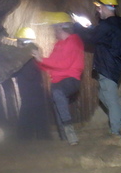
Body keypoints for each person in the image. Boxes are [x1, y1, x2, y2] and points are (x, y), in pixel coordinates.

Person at [73, 0, 121, 139]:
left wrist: (77, 26)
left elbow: (91, 37)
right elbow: (99, 35)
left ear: (106, 8)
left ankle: (116, 132)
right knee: (103, 95)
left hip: (108, 67)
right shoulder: (115, 24)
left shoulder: (107, 25)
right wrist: (89, 27)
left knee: (111, 101)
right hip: (112, 66)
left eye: (99, 7)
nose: (98, 10)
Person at [32, 14, 84, 145]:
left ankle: (70, 132)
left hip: (70, 79)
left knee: (57, 92)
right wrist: (38, 60)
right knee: (56, 103)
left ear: (60, 27)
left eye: (54, 27)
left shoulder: (74, 40)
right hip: (57, 81)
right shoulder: (58, 45)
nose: (53, 30)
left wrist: (42, 59)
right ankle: (64, 138)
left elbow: (64, 64)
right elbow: (50, 65)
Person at [13, 28, 51, 140]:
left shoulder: (28, 51)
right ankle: (39, 135)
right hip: (32, 84)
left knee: (29, 109)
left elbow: (28, 70)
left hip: (30, 84)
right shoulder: (31, 50)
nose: (18, 43)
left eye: (19, 41)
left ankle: (26, 136)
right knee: (36, 109)